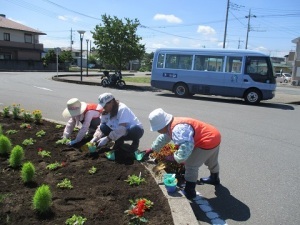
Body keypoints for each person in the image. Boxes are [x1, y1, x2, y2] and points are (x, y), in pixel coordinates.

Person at [148, 108, 221, 200]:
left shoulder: (177, 129)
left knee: (191, 165)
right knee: (211, 160)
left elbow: (186, 146)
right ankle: (215, 178)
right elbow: (163, 138)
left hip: (206, 141)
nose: (157, 131)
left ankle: (190, 191)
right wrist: (152, 149)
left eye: (157, 128)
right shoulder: (172, 124)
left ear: (162, 125)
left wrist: (176, 158)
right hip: (214, 135)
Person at [91, 93, 144, 158]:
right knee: (103, 127)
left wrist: (107, 138)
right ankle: (119, 142)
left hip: (133, 131)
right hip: (120, 132)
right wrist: (95, 137)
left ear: (112, 102)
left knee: (134, 128)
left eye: (105, 106)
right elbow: (101, 125)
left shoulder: (122, 109)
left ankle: (135, 143)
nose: (104, 108)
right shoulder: (105, 112)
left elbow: (122, 128)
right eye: (103, 106)